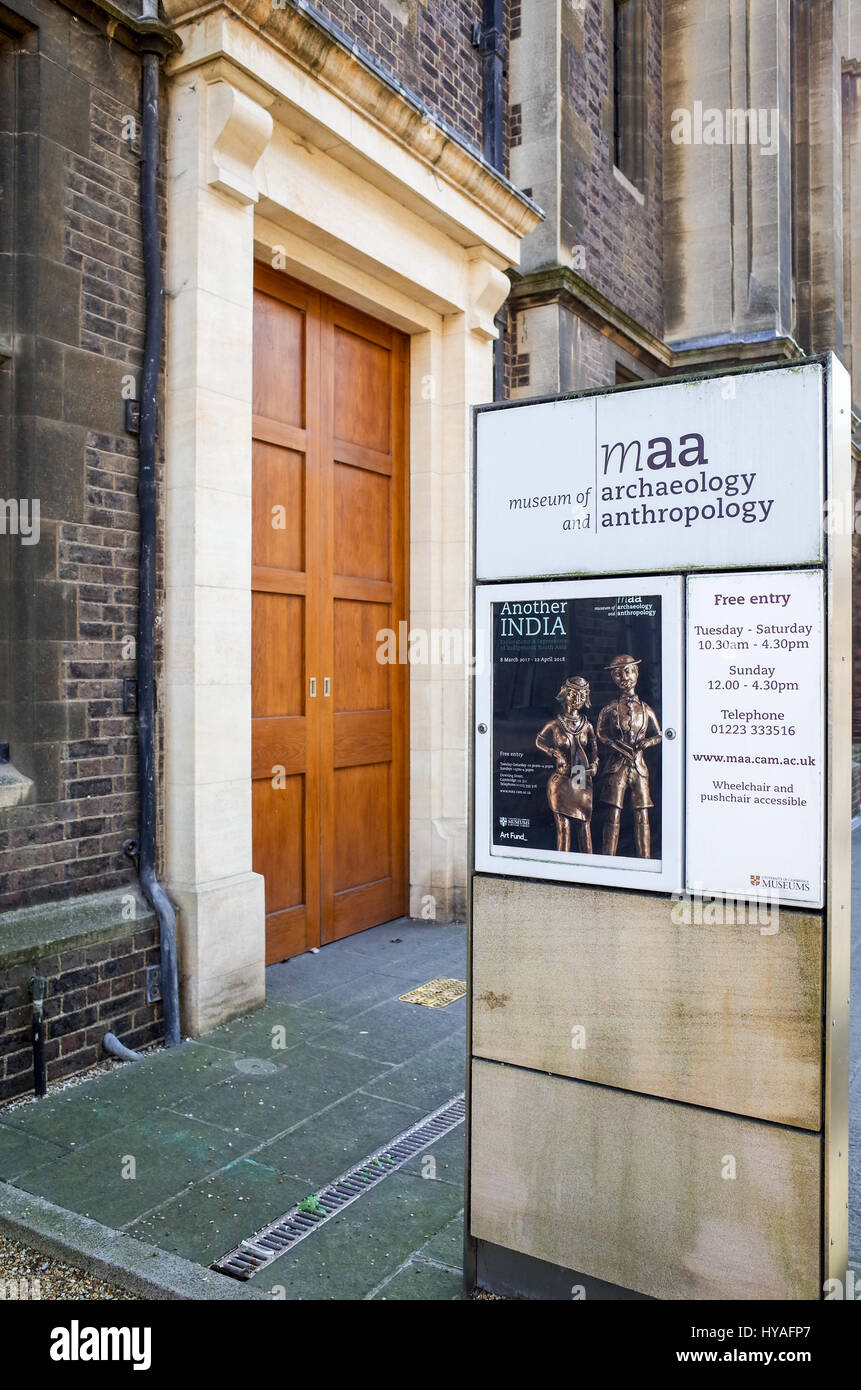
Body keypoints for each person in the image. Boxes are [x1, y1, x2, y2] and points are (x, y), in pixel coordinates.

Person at [595, 654, 662, 858]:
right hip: (616, 767)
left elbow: (659, 734)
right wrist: (613, 744)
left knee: (642, 814)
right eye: (618, 674)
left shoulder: (646, 709)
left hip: (639, 768)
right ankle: (609, 859)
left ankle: (645, 860)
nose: (624, 677)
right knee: (613, 814)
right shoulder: (609, 709)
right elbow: (600, 733)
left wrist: (647, 742)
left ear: (636, 672)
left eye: (628, 671)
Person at [535, 675, 598, 853]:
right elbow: (539, 741)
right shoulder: (555, 724)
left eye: (581, 695)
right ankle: (562, 865)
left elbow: (594, 750)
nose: (576, 699)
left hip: (580, 776)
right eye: (572, 694)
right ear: (564, 694)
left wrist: (595, 764)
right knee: (563, 829)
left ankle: (589, 869)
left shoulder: (587, 726)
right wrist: (552, 752)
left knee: (585, 826)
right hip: (561, 779)